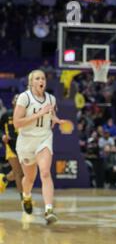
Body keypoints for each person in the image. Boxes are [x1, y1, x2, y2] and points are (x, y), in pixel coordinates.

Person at [13, 70, 68, 224]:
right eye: (37, 78)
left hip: (44, 138)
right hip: (26, 141)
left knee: (44, 173)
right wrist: (39, 114)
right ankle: (27, 197)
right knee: (29, 178)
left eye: (43, 78)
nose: (41, 80)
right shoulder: (24, 98)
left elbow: (51, 115)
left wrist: (56, 120)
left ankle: (49, 210)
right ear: (31, 82)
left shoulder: (51, 98)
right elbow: (17, 123)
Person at [0, 95, 24, 198]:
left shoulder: (27, 116)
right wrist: (3, 136)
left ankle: (4, 179)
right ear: (13, 104)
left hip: (24, 146)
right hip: (11, 146)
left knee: (23, 172)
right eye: (16, 104)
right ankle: (24, 199)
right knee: (18, 173)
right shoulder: (6, 115)